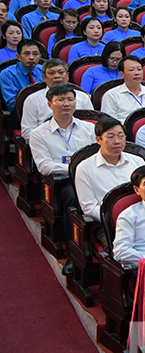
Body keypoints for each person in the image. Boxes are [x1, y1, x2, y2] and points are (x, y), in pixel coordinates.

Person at [28, 84, 95, 244]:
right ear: (49, 104)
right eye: (60, 100)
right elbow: (44, 166)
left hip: (93, 176)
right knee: (74, 200)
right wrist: (75, 169)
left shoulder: (89, 128)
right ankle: (75, 251)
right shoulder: (38, 134)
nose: (66, 104)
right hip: (64, 181)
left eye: (70, 100)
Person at [75, 117, 145, 225]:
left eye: (121, 136)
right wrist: (115, 218)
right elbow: (89, 207)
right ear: (98, 139)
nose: (117, 141)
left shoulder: (137, 161)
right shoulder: (85, 168)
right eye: (111, 137)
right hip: (108, 224)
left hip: (142, 218)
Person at [20, 59, 90, 137]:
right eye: (51, 73)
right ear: (44, 77)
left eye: (61, 72)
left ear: (67, 75)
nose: (57, 76)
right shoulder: (33, 100)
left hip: (79, 139)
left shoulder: (82, 97)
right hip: (46, 141)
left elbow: (90, 122)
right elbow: (27, 132)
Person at [100, 56, 145, 122]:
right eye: (131, 70)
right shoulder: (111, 96)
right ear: (122, 74)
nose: (137, 73)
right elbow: (108, 123)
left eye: (139, 69)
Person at [0, 39, 43, 109]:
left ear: (40, 56)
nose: (31, 57)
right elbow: (11, 102)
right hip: (19, 112)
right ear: (18, 57)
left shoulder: (45, 71)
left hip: (45, 109)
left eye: (35, 54)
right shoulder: (7, 74)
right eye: (26, 54)